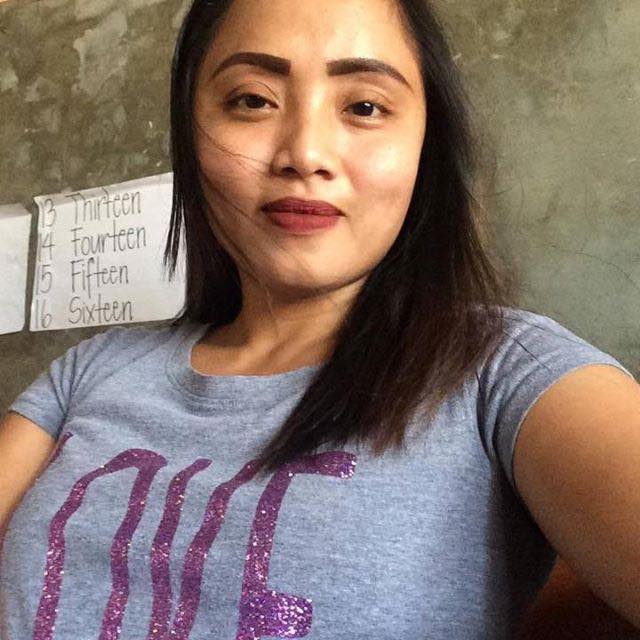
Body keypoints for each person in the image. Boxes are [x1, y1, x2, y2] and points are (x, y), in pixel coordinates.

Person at [1, 0, 639, 638]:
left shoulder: (505, 372)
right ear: (191, 136)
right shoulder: (92, 370)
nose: (305, 154)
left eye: (365, 107)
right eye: (253, 100)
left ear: (426, 146)